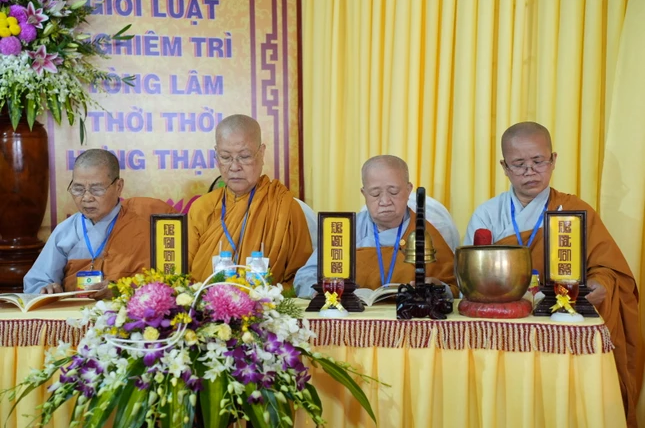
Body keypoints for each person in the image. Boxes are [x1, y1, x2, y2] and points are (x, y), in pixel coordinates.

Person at [464, 121, 643, 426]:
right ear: (504, 167)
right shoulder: (488, 214)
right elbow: (470, 278)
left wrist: (601, 283)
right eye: (519, 164)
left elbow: (608, 268)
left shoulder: (574, 209)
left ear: (554, 160)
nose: (530, 171)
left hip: (562, 328)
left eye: (538, 161)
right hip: (506, 329)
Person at [294, 155, 459, 299]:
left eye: (393, 192)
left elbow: (454, 287)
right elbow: (304, 277)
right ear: (364, 193)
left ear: (409, 190)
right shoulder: (344, 230)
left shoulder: (426, 233)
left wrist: (437, 288)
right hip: (352, 318)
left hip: (408, 318)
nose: (385, 201)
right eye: (375, 193)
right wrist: (323, 292)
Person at [23, 149, 177, 298]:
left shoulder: (148, 222)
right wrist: (47, 289)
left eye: (96, 189)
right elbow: (37, 283)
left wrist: (122, 291)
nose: (86, 198)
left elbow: (172, 283)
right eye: (78, 189)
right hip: (75, 314)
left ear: (118, 187)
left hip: (129, 313)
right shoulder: (65, 231)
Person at [188, 114, 314, 289]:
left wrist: (262, 298)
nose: (234, 167)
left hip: (268, 305)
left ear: (261, 153)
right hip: (207, 304)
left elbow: (302, 277)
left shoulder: (284, 207)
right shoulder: (202, 208)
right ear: (216, 155)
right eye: (225, 157)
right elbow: (185, 278)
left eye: (245, 156)